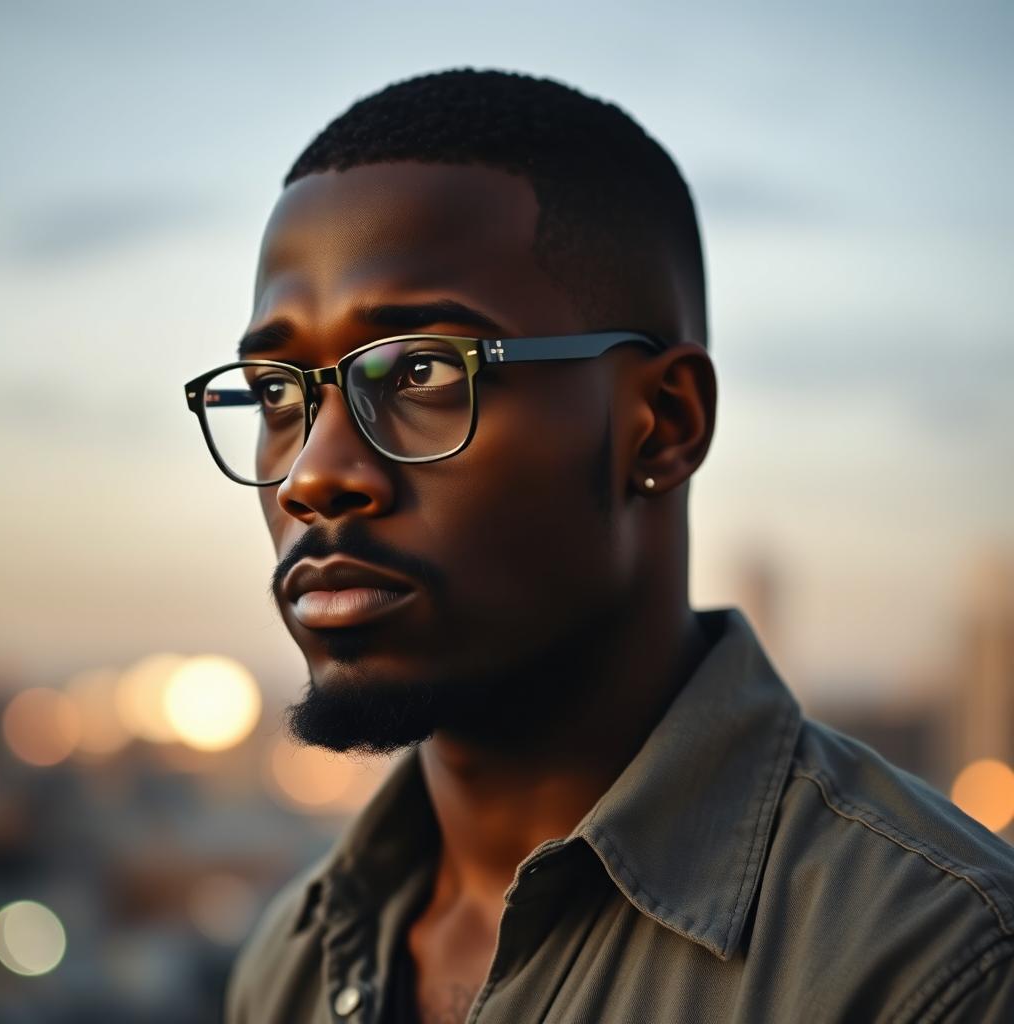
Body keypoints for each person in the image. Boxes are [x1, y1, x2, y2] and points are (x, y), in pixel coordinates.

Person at [184, 69, 1014, 1023]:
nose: (312, 475)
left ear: (661, 424)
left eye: (419, 369)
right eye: (279, 393)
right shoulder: (289, 964)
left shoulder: (934, 967)